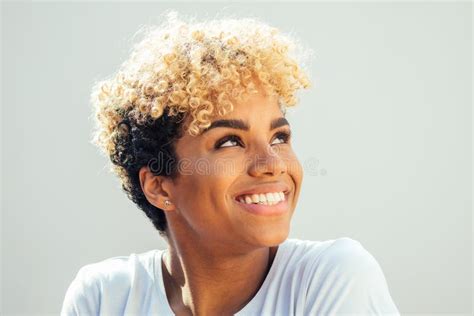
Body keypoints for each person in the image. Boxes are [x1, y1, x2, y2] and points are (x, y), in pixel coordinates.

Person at [61, 11, 400, 316]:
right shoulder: (103, 298)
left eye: (279, 136)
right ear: (159, 186)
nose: (272, 164)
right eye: (229, 142)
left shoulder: (334, 279)